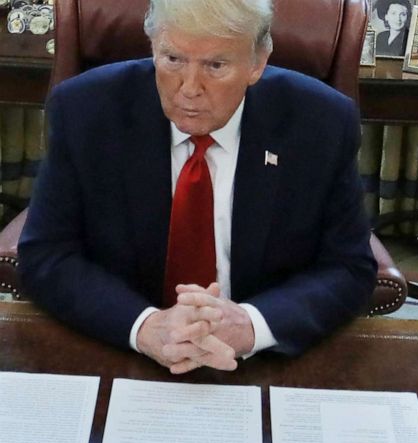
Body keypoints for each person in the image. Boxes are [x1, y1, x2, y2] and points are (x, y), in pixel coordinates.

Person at [18, 0, 377, 375]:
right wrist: (145, 327)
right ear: (153, 46)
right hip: (120, 347)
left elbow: (348, 266)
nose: (189, 89)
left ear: (257, 63)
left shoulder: (322, 124)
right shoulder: (84, 112)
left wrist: (251, 325)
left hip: (265, 359)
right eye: (172, 59)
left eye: (215, 65)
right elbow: (46, 253)